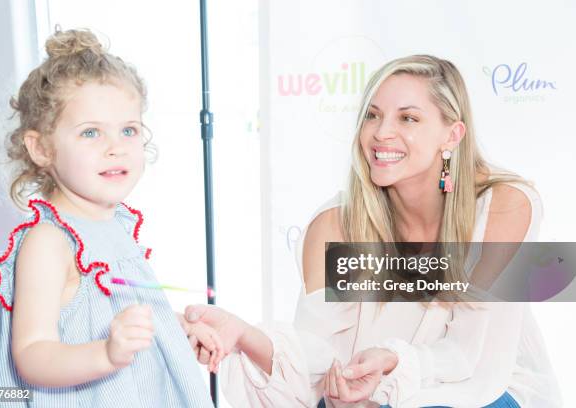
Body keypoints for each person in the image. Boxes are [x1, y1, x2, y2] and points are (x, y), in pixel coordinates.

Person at [183, 55, 561, 407]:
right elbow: (317, 362)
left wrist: (394, 366)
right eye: (373, 115)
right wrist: (244, 335)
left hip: (482, 392)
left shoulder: (503, 206)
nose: (382, 133)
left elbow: (470, 356)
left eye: (408, 118)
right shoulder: (334, 225)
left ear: (452, 135)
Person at [0, 28, 220, 407]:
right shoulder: (49, 241)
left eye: (129, 130)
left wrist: (173, 326)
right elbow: (32, 353)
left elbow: (108, 307)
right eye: (91, 132)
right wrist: (106, 354)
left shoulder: (114, 224)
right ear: (41, 148)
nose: (116, 148)